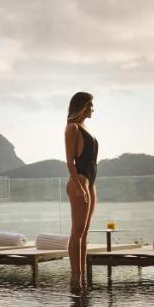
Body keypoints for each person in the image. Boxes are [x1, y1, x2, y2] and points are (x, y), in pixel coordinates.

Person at [64, 91, 98, 292]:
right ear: (83, 106)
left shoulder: (85, 127)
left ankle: (83, 276)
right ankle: (75, 279)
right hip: (80, 181)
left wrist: (88, 186)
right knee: (76, 232)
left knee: (84, 233)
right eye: (91, 105)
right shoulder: (72, 128)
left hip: (90, 183)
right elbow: (70, 162)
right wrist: (78, 186)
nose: (93, 109)